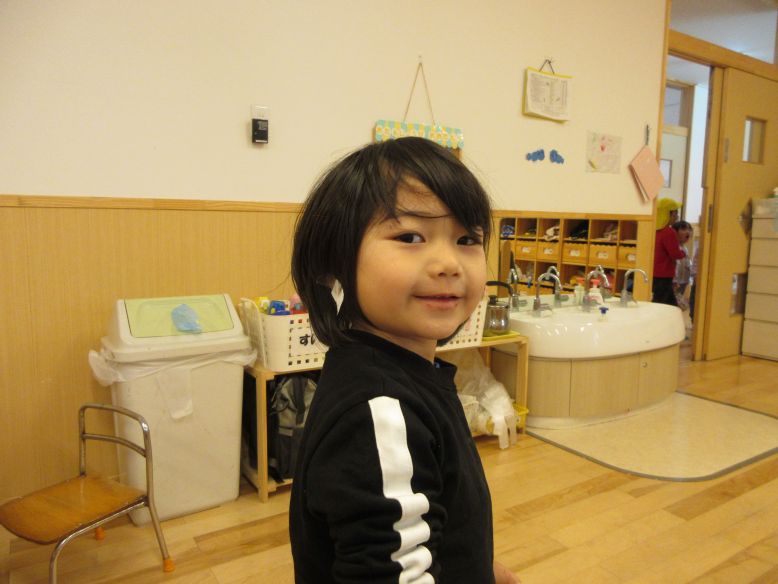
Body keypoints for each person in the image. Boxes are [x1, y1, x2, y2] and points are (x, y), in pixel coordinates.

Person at [289, 136, 519, 584]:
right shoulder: (379, 410)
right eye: (410, 237)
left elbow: (418, 527)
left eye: (467, 239)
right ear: (334, 262)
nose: (449, 263)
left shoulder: (396, 374)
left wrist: (476, 567)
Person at [652, 198, 685, 306]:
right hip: (664, 275)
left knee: (664, 303)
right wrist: (683, 253)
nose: (677, 216)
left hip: (654, 273)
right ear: (668, 214)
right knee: (664, 305)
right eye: (675, 213)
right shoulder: (669, 232)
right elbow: (675, 254)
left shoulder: (653, 230)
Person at [671, 220, 693, 310]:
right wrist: (674, 280)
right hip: (675, 282)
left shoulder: (685, 248)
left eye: (689, 229)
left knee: (679, 302)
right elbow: (674, 264)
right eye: (683, 229)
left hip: (683, 281)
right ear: (675, 232)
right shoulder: (674, 247)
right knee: (673, 304)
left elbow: (688, 264)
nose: (687, 232)